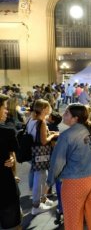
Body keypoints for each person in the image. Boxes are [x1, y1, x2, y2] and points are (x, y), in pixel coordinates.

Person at [46, 103, 91, 230]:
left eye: (67, 113)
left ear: (76, 118)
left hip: (75, 181)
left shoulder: (67, 135)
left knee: (73, 220)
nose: (63, 115)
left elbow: (57, 161)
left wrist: (49, 181)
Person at [28, 99, 58, 215]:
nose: (50, 109)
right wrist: (53, 135)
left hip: (34, 152)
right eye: (48, 107)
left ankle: (42, 199)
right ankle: (36, 205)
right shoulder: (42, 122)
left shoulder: (31, 119)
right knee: (39, 178)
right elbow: (44, 141)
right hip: (41, 152)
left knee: (41, 176)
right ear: (44, 109)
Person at [0, 94, 21, 229]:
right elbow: (14, 153)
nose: (7, 111)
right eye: (5, 108)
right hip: (4, 185)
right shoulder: (7, 132)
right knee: (11, 223)